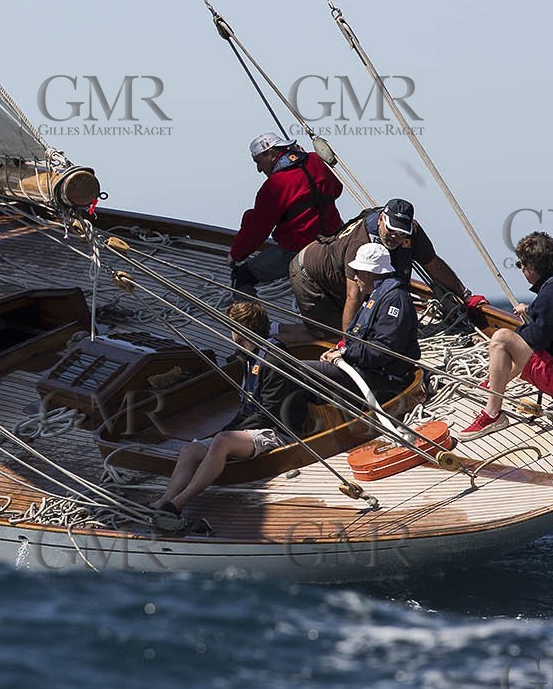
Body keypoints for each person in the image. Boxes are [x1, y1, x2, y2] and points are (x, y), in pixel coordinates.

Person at [152, 299, 303, 533]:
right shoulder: (250, 356)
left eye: (231, 327)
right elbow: (247, 406)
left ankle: (177, 504)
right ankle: (163, 501)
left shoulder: (274, 360)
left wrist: (230, 433)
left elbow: (269, 414)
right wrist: (231, 430)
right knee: (190, 450)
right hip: (254, 427)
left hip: (279, 432)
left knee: (223, 441)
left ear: (242, 330)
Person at [462, 232, 553, 437]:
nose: (521, 270)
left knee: (502, 339)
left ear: (530, 268)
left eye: (520, 265)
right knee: (519, 343)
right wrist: (531, 310)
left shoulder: (550, 295)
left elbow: (534, 340)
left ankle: (492, 414)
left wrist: (517, 333)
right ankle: (495, 383)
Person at [288, 197, 477, 339]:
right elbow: (354, 296)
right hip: (310, 276)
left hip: (339, 276)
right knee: (330, 336)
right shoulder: (361, 245)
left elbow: (433, 264)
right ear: (380, 220)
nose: (395, 237)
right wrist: (348, 343)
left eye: (401, 233)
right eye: (391, 230)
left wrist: (466, 296)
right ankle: (278, 332)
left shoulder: (412, 232)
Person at [297, 242, 420, 417]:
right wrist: (339, 351)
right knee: (296, 370)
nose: (354, 277)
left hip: (381, 381)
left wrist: (344, 353)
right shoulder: (377, 297)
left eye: (357, 272)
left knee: (296, 370)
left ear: (368, 273)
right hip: (364, 370)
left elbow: (381, 350)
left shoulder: (394, 300)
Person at [228, 133, 342, 295]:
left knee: (242, 276)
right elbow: (337, 189)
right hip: (335, 240)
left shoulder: (274, 186)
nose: (259, 169)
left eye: (258, 161)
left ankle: (246, 312)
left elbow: (257, 229)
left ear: (271, 154)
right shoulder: (315, 161)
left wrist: (236, 255)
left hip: (300, 249)